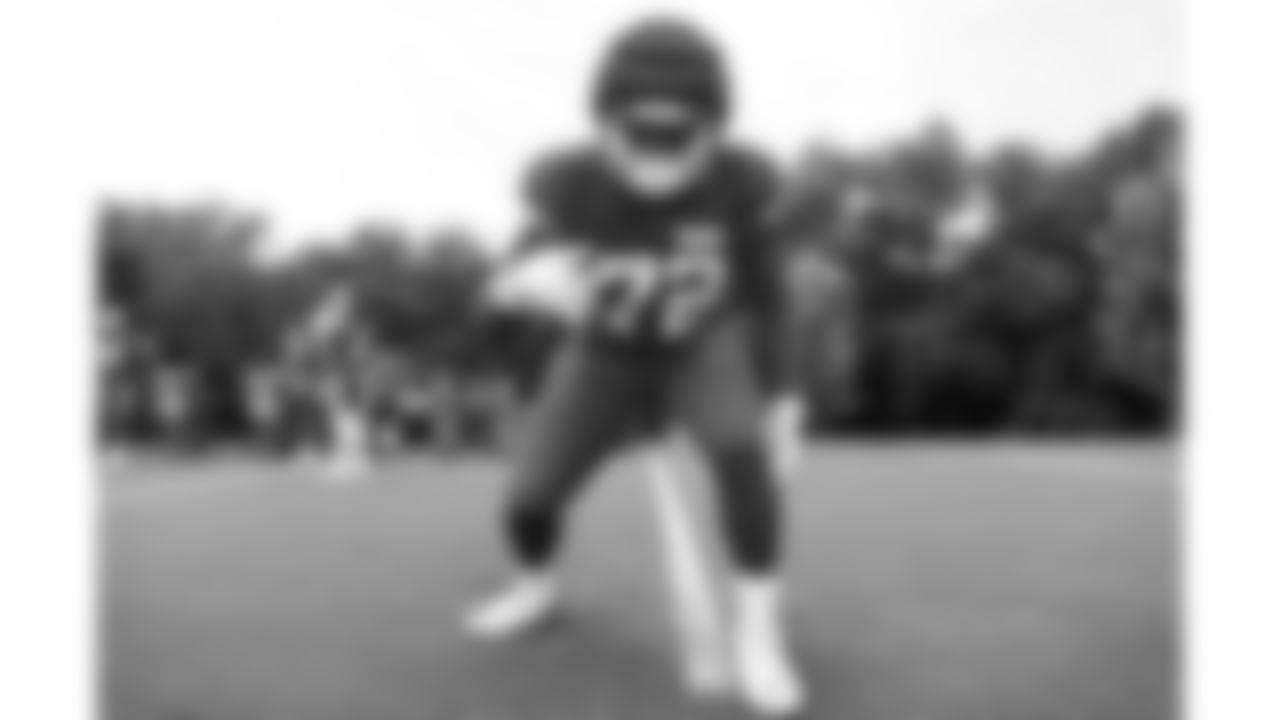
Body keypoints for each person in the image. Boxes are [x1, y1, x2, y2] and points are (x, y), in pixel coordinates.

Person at [465, 17, 807, 715]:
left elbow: (770, 296)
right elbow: (489, 315)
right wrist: (513, 288)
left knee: (744, 451)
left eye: (675, 133)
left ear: (714, 126)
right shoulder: (566, 184)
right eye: (639, 130)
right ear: (602, 121)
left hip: (700, 344)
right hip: (603, 351)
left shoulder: (742, 183)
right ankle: (536, 586)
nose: (656, 151)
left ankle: (759, 628)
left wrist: (787, 397)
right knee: (528, 501)